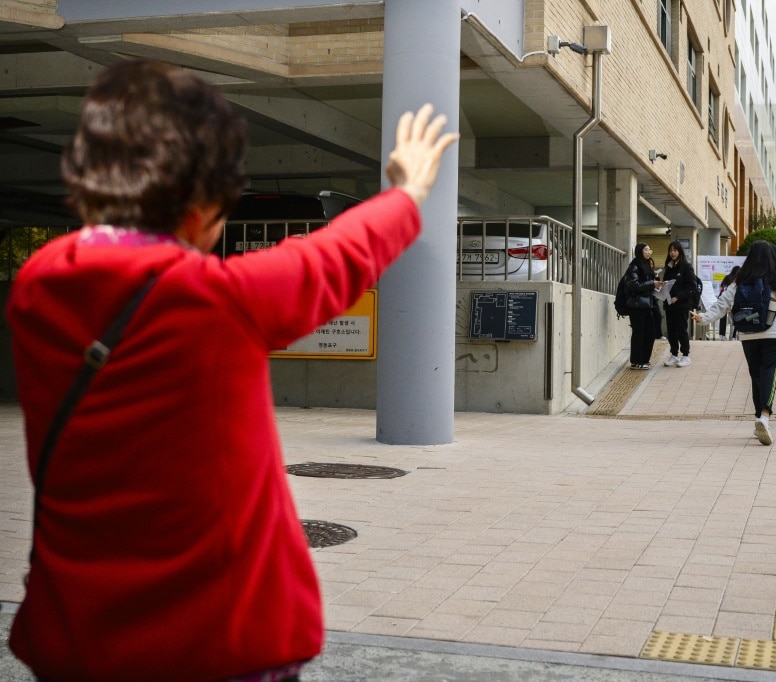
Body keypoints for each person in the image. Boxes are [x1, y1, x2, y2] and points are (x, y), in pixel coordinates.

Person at [5, 59, 458, 681]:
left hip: (78, 636)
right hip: (222, 641)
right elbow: (338, 255)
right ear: (200, 207)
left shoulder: (35, 286)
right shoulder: (220, 301)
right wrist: (406, 191)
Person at [692, 241, 776, 446]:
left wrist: (703, 318)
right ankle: (764, 417)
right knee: (769, 373)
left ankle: (760, 416)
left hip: (748, 335)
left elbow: (722, 304)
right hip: (774, 334)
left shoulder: (742, 279)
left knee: (756, 375)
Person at [623, 243, 662, 369]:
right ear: (640, 251)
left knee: (650, 333)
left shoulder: (646, 265)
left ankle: (644, 359)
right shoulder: (634, 266)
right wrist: (652, 284)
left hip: (647, 305)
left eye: (649, 249)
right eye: (646, 249)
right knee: (639, 333)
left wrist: (655, 281)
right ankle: (636, 361)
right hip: (637, 305)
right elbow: (633, 285)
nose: (649, 251)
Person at [662, 239, 696, 367]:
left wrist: (678, 297)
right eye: (670, 250)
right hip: (669, 304)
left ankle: (685, 355)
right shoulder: (669, 267)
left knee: (681, 329)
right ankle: (674, 354)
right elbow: (667, 285)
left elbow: (691, 287)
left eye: (675, 250)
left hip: (681, 305)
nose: (672, 253)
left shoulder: (686, 267)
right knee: (671, 331)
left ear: (680, 251)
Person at [718, 265, 741, 339]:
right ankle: (733, 335)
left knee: (723, 317)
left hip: (724, 298)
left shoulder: (727, 277)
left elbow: (722, 287)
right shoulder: (737, 279)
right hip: (734, 300)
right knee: (735, 318)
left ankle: (722, 335)